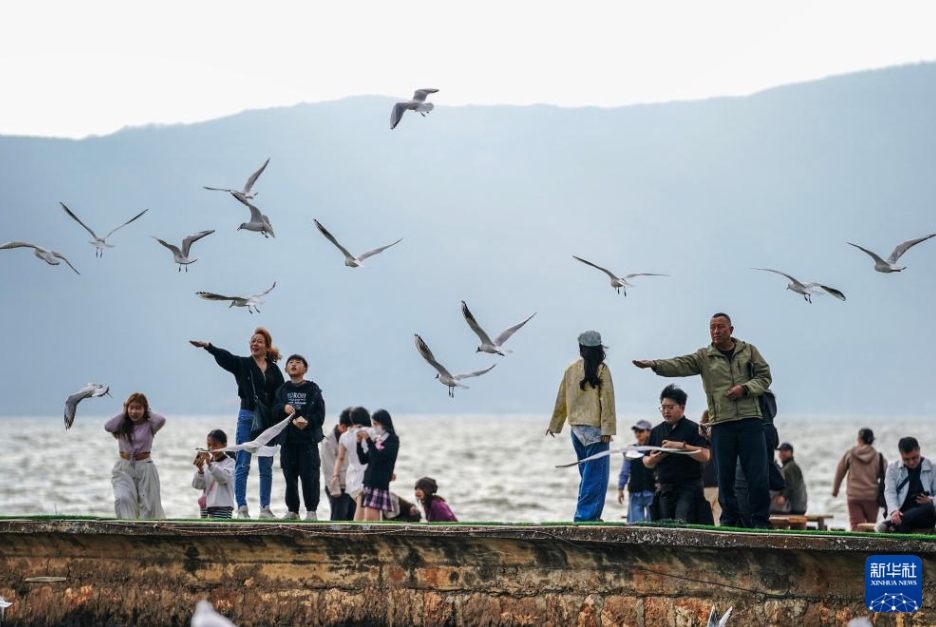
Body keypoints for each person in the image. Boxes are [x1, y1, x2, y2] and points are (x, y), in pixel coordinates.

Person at [633, 312, 773, 529]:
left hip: (750, 420)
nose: (716, 331)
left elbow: (764, 377)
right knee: (725, 477)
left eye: (720, 327)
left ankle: (761, 522)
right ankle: (729, 521)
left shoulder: (749, 351)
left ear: (731, 330)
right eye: (712, 327)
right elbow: (679, 364)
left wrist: (745, 389)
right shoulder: (704, 356)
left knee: (757, 475)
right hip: (721, 424)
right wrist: (654, 364)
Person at [190, 328, 285, 519]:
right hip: (247, 416)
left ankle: (265, 509)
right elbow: (226, 358)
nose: (255, 344)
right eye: (252, 341)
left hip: (267, 420)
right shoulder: (243, 364)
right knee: (242, 464)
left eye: (259, 341)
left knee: (266, 465)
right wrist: (209, 347)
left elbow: (281, 395)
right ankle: (242, 508)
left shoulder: (274, 369)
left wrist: (285, 416)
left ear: (267, 346)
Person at [547, 330, 617, 522]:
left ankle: (586, 514)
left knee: (587, 476)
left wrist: (555, 425)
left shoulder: (571, 369)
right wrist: (607, 430)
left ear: (581, 348)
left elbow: (561, 398)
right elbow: (607, 401)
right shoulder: (602, 370)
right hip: (596, 432)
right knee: (596, 478)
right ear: (599, 349)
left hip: (576, 430)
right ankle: (586, 517)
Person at [642, 385, 710, 522]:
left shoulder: (693, 429)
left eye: (670, 407)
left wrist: (681, 446)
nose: (666, 411)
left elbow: (705, 455)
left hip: (689, 487)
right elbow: (646, 461)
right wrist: (654, 459)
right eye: (663, 407)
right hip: (664, 488)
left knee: (682, 522)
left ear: (682, 407)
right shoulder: (656, 431)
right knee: (664, 525)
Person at [273, 354, 326, 521]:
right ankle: (292, 511)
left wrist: (308, 422)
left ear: (305, 369)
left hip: (308, 442)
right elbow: (273, 411)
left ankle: (311, 511)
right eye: (290, 362)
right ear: (286, 369)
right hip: (288, 441)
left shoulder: (313, 389)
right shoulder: (282, 390)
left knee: (310, 477)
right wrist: (283, 408)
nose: (294, 364)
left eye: (298, 362)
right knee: (289, 477)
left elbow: (320, 415)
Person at [104, 392, 166, 519]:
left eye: (138, 408)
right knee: (123, 498)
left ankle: (148, 528)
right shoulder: (122, 424)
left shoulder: (150, 425)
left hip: (145, 466)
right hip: (123, 467)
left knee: (148, 505)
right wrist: (124, 413)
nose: (134, 411)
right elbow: (108, 426)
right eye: (131, 408)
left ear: (144, 409)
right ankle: (128, 525)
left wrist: (147, 412)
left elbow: (161, 420)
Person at [876, 437, 936, 534]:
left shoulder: (932, 468)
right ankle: (895, 524)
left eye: (915, 458)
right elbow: (890, 492)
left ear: (919, 450)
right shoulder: (892, 468)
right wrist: (894, 511)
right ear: (900, 454)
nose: (911, 462)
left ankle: (889, 524)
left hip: (925, 514)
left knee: (930, 508)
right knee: (902, 525)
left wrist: (930, 500)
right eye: (906, 459)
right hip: (901, 512)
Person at [832, 428, 886, 531]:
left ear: (859, 439)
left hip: (854, 496)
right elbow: (887, 475)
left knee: (856, 525)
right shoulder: (878, 457)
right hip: (872, 497)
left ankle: (856, 541)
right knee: (871, 525)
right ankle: (871, 541)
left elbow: (840, 472)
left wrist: (835, 490)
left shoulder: (850, 454)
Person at [355, 409, 400, 521]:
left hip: (379, 482)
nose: (374, 427)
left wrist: (368, 440)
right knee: (369, 518)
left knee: (370, 519)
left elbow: (379, 456)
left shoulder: (392, 440)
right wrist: (359, 443)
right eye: (373, 424)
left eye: (376, 424)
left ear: (384, 423)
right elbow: (364, 459)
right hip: (369, 481)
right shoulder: (378, 440)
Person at [333, 407, 371, 520]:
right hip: (367, 473)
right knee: (362, 504)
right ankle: (358, 529)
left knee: (361, 504)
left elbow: (340, 458)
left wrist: (335, 475)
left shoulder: (344, 436)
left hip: (352, 474)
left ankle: (360, 527)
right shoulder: (370, 433)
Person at [617, 419, 656, 523]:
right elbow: (625, 471)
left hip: (652, 491)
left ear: (649, 432)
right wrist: (620, 488)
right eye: (636, 431)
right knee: (635, 524)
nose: (638, 433)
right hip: (635, 492)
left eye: (641, 431)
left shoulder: (654, 450)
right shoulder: (630, 450)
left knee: (653, 523)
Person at [321, 408, 356, 520]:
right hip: (337, 487)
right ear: (343, 426)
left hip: (350, 486)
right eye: (351, 429)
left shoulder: (350, 439)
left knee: (352, 519)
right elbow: (328, 468)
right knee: (338, 519)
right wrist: (335, 490)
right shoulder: (328, 442)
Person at [192, 429, 236, 519]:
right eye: (209, 445)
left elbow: (223, 478)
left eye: (215, 445)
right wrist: (200, 470)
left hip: (223, 507)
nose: (211, 448)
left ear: (224, 445)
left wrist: (210, 465)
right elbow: (197, 486)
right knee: (204, 529)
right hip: (206, 507)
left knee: (220, 528)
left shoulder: (230, 462)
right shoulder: (208, 463)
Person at [699, 411, 721, 525]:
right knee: (718, 515)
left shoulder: (700, 441)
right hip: (718, 481)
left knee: (706, 516)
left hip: (705, 481)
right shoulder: (721, 437)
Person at [772, 443, 807, 515]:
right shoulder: (788, 466)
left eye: (785, 450)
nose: (782, 453)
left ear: (791, 453)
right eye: (780, 451)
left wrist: (783, 497)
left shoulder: (791, 467)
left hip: (795, 507)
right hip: (799, 506)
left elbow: (790, 486)